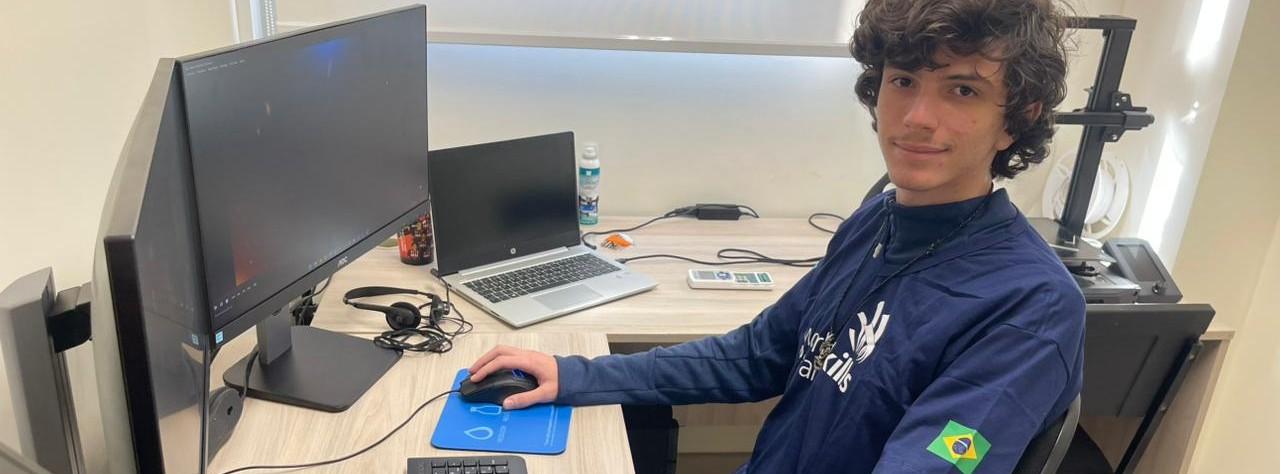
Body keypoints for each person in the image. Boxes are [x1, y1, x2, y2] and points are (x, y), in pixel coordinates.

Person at [467, 0, 1084, 471]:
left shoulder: (1029, 306)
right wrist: (577, 376)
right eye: (903, 81)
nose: (918, 117)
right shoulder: (878, 220)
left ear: (1017, 118)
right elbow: (760, 353)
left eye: (963, 90)